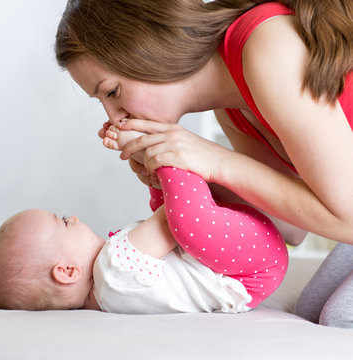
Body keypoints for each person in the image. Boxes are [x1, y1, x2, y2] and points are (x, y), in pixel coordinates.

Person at [55, 0, 352, 326]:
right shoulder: (230, 104)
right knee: (312, 309)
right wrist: (183, 173)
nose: (114, 117)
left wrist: (217, 161)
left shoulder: (266, 45)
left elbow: (347, 220)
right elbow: (290, 228)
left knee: (339, 317)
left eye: (112, 92)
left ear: (147, 49)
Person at [0, 128, 288, 313]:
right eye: (63, 222)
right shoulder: (113, 270)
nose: (72, 216)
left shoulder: (109, 294)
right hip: (249, 268)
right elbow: (171, 222)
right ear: (67, 271)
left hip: (240, 269)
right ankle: (168, 149)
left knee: (184, 218)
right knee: (186, 221)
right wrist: (162, 161)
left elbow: (167, 221)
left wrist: (155, 184)